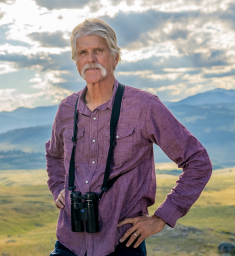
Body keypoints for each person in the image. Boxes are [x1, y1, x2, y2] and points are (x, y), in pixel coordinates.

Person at [45, 18, 212, 256]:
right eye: (82, 52)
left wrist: (162, 217)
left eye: (98, 50)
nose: (90, 59)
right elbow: (53, 154)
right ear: (76, 61)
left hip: (123, 243)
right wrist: (58, 186)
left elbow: (198, 161)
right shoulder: (66, 108)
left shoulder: (145, 106)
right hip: (69, 242)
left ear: (115, 57)